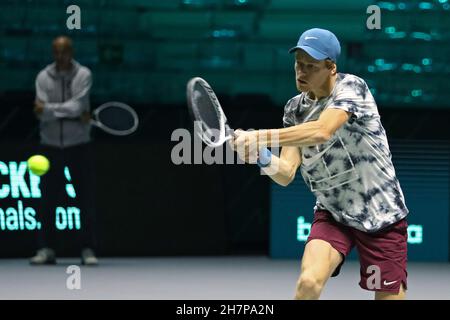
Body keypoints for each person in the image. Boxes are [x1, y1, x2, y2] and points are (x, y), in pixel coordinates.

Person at [232, 28, 409, 300]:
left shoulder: (352, 88)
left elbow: (322, 130)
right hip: (333, 213)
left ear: (331, 67)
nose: (301, 73)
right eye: (298, 65)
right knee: (309, 283)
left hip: (380, 215)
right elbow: (286, 173)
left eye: (311, 67)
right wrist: (261, 155)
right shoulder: (294, 110)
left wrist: (257, 136)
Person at [30, 36, 98, 266]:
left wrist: (49, 109)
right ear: (52, 53)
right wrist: (68, 112)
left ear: (72, 51)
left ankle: (87, 249)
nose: (61, 56)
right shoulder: (42, 77)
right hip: (49, 145)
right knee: (47, 201)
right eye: (57, 52)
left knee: (84, 199)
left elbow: (78, 106)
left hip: (79, 145)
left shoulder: (84, 74)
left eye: (65, 52)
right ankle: (46, 248)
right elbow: (41, 113)